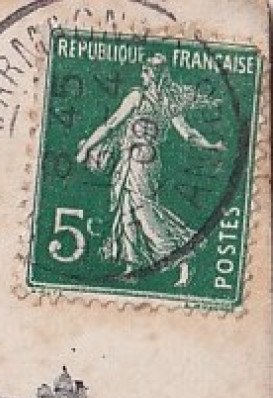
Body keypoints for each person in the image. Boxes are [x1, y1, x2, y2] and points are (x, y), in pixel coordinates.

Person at [74, 53, 225, 274]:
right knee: (128, 209)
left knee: (143, 212)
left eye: (145, 71)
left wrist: (87, 147)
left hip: (140, 164)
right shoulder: (168, 103)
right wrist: (211, 145)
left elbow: (111, 124)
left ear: (151, 74)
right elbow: (189, 134)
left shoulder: (138, 97)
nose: (142, 75)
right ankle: (131, 264)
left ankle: (178, 256)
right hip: (137, 161)